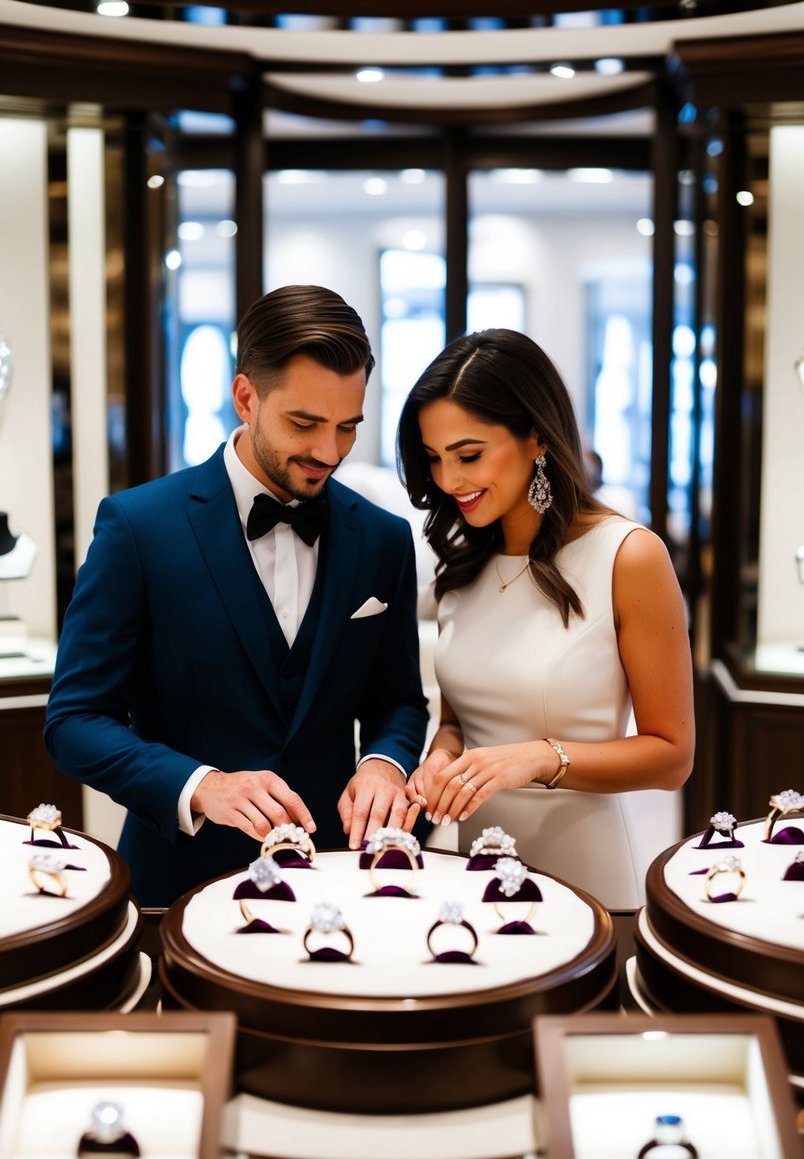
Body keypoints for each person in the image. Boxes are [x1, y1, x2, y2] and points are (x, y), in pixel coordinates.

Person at [45, 285, 429, 906]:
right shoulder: (139, 528)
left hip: (337, 881)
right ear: (245, 397)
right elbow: (73, 721)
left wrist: (386, 761)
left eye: (347, 428)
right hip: (179, 884)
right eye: (304, 424)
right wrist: (199, 785)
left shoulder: (383, 540)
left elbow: (400, 703)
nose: (328, 453)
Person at [398, 328, 695, 908]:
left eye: (469, 455)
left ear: (536, 435)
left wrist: (539, 755)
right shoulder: (462, 564)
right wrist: (440, 757)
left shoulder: (628, 556)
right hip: (471, 870)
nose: (449, 481)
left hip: (584, 873)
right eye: (434, 459)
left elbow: (672, 755)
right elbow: (462, 721)